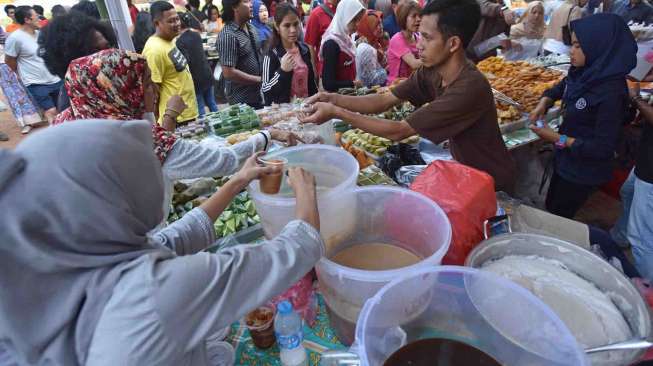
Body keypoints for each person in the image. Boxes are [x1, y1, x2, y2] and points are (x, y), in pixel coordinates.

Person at [0, 119, 322, 365]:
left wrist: (237, 181)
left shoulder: (56, 261)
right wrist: (306, 190)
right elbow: (296, 249)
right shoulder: (153, 294)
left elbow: (174, 238)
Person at [302, 0, 516, 193]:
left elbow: (399, 130)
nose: (419, 44)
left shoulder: (468, 87)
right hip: (468, 174)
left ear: (453, 44)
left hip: (493, 183)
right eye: (419, 34)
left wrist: (336, 113)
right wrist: (332, 98)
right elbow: (383, 100)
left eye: (427, 37)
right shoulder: (432, 70)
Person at [52, 49, 294, 217]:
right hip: (133, 250)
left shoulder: (68, 124)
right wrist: (267, 136)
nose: (155, 89)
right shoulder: (143, 145)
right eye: (145, 83)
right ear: (121, 93)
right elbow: (224, 160)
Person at [529, 14, 637, 219]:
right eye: (572, 44)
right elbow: (563, 86)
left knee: (559, 213)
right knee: (553, 202)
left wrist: (555, 138)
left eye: (578, 46)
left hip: (582, 170)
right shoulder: (583, 71)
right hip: (565, 158)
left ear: (599, 46)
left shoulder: (611, 94)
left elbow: (600, 148)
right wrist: (544, 102)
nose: (571, 51)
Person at [611, 81, 653, 280]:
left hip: (651, 174)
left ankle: (645, 284)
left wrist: (635, 100)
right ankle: (620, 236)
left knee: (642, 236)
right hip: (645, 160)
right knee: (627, 192)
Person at [38, 11, 116, 111]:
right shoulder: (74, 107)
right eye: (95, 51)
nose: (108, 55)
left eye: (108, 47)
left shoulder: (118, 82)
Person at [143, 1, 198, 128]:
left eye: (177, 19)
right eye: (171, 21)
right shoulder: (154, 50)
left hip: (187, 115)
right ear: (157, 23)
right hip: (176, 119)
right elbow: (152, 91)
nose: (177, 24)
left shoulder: (169, 40)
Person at [5, 6, 62, 129]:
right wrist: (21, 74)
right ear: (27, 20)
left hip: (55, 78)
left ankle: (64, 133)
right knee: (51, 111)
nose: (39, 19)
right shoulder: (15, 38)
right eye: (36, 16)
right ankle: (57, 136)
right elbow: (9, 61)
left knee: (61, 109)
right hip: (35, 82)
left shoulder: (41, 33)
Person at [261, 3, 318, 104]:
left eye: (296, 24)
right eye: (287, 25)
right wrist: (282, 71)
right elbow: (266, 90)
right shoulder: (271, 54)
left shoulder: (304, 49)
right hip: (285, 116)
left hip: (307, 111)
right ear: (277, 27)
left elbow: (311, 84)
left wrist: (317, 102)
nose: (293, 30)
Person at [217, 0, 264, 108]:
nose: (251, 4)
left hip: (258, 95)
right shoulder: (228, 35)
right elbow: (228, 73)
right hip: (242, 101)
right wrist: (258, 80)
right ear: (234, 7)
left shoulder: (251, 28)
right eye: (246, 1)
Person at [177, 12, 219, 117]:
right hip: (206, 73)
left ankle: (207, 130)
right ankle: (220, 123)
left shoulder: (180, 42)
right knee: (212, 103)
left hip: (195, 78)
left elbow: (186, 61)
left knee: (200, 108)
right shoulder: (196, 35)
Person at [319, 0, 365, 92]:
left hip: (346, 96)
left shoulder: (346, 39)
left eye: (359, 20)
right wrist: (352, 84)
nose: (357, 24)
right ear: (344, 17)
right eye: (354, 19)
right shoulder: (331, 44)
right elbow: (328, 84)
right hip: (335, 100)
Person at [387, 1, 420, 85]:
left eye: (419, 16)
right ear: (404, 18)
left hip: (412, 84)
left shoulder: (418, 36)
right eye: (414, 16)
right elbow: (414, 63)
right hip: (397, 86)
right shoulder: (397, 39)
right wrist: (436, 58)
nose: (418, 19)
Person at [304, 0, 339, 76]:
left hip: (346, 69)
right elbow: (310, 45)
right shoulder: (316, 14)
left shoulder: (346, 10)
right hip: (326, 71)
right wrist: (314, 71)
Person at [355, 9, 388, 87]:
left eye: (381, 23)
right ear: (367, 27)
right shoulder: (366, 48)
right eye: (376, 25)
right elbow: (370, 81)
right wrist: (387, 70)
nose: (381, 27)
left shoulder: (375, 42)